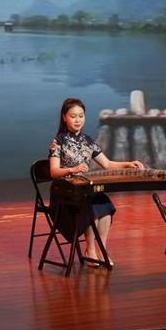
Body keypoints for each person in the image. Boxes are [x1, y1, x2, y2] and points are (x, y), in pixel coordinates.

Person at [48, 98, 144, 266]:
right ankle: (90, 250)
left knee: (104, 203)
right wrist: (72, 169)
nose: (77, 120)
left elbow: (107, 164)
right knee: (90, 205)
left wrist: (128, 164)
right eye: (73, 116)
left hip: (83, 188)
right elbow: (54, 172)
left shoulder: (88, 141)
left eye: (81, 116)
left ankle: (101, 249)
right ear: (64, 117)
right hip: (64, 191)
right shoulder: (58, 141)